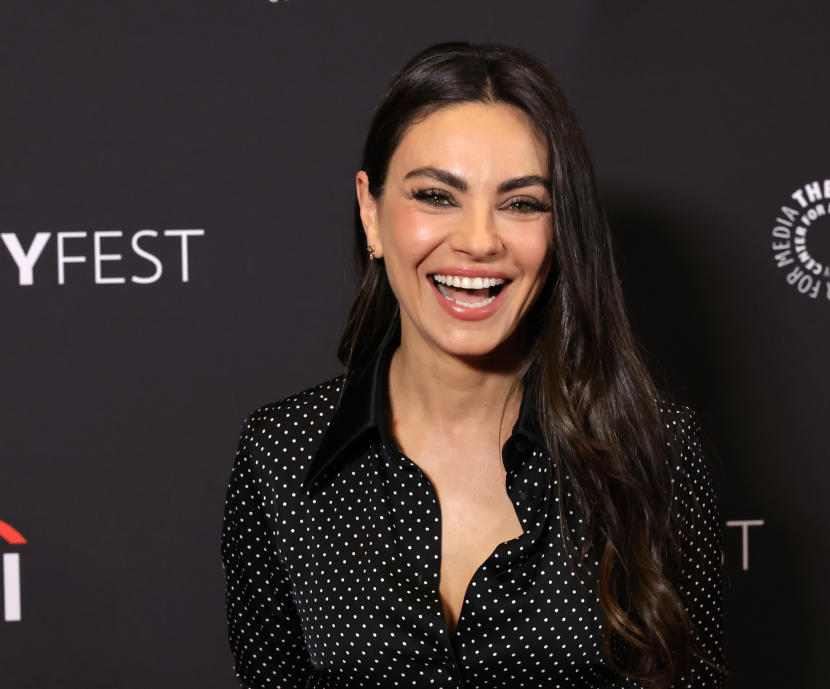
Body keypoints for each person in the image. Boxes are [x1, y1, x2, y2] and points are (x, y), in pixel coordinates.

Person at [220, 41, 727, 689]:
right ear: (371, 213)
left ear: (559, 228)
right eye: (436, 195)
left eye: (521, 203)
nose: (480, 239)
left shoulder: (651, 447)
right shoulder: (281, 455)